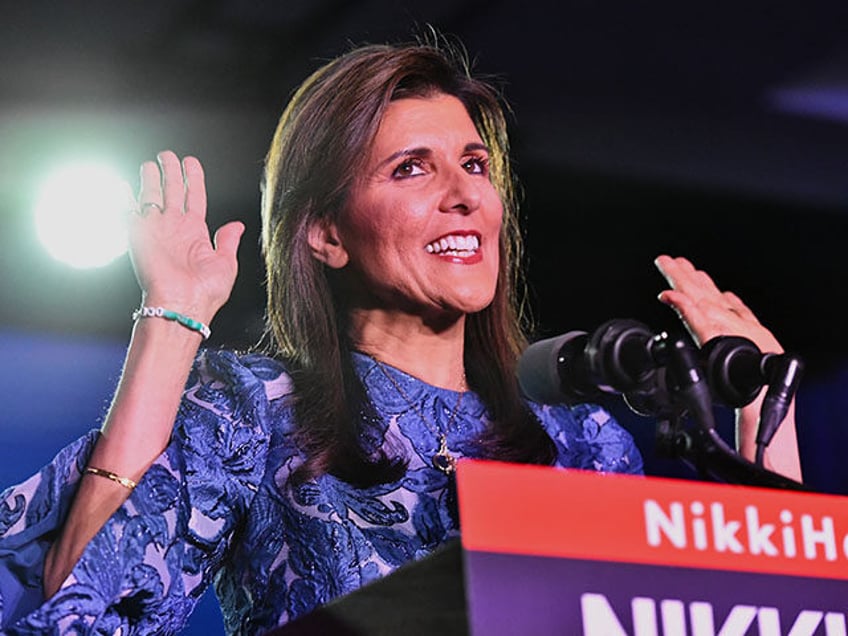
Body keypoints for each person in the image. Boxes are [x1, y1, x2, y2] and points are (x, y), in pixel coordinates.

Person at [0, 35, 802, 635]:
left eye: (476, 165)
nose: (464, 195)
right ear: (325, 235)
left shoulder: (582, 438)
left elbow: (756, 618)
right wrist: (171, 320)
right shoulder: (253, 410)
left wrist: (767, 414)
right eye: (411, 168)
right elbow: (85, 604)